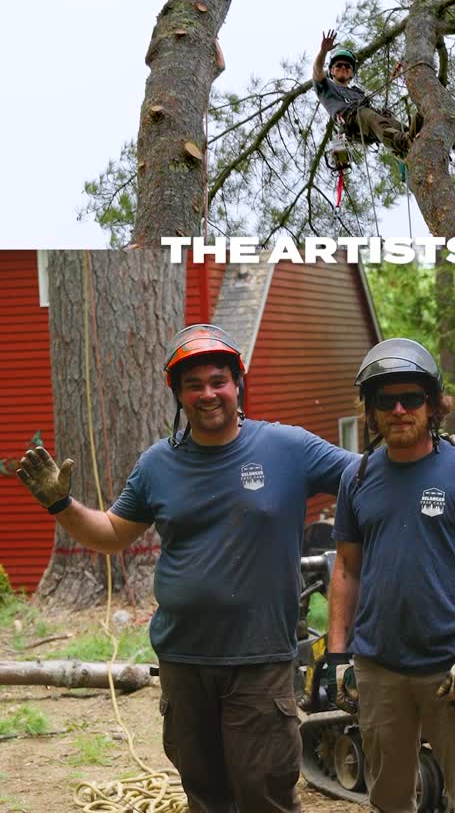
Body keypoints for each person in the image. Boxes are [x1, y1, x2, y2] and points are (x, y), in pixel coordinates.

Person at [16, 323, 357, 813]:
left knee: (265, 792)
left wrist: (433, 460)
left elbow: (369, 476)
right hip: (184, 660)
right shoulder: (159, 463)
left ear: (237, 384)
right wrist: (61, 504)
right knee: (205, 795)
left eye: (218, 380)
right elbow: (112, 534)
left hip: (259, 661)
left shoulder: (288, 448)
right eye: (193, 385)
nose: (208, 393)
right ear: (177, 393)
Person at [327, 338, 455, 813]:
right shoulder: (358, 477)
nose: (399, 409)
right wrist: (337, 655)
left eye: (412, 398)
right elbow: (346, 569)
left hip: (451, 666)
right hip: (379, 668)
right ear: (370, 410)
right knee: (389, 798)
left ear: (433, 405)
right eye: (385, 401)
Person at [312, 30, 422, 158]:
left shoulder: (357, 92)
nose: (343, 67)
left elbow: (374, 115)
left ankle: (416, 138)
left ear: (351, 73)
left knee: (393, 123)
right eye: (339, 65)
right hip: (351, 122)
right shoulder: (325, 87)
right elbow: (317, 70)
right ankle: (403, 142)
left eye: (347, 66)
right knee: (365, 113)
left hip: (369, 124)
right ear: (331, 71)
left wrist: (381, 114)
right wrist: (323, 51)